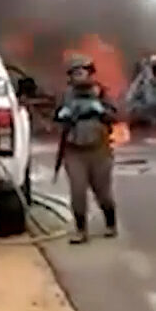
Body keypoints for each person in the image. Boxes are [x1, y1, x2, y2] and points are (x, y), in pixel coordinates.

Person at [52, 53, 118, 243]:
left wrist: (100, 110)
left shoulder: (101, 93)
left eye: (82, 72)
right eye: (75, 73)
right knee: (78, 193)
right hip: (74, 151)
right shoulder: (65, 96)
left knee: (103, 193)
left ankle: (111, 223)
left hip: (99, 150)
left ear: (90, 74)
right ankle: (81, 231)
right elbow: (54, 118)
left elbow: (114, 116)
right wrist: (64, 115)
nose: (79, 76)